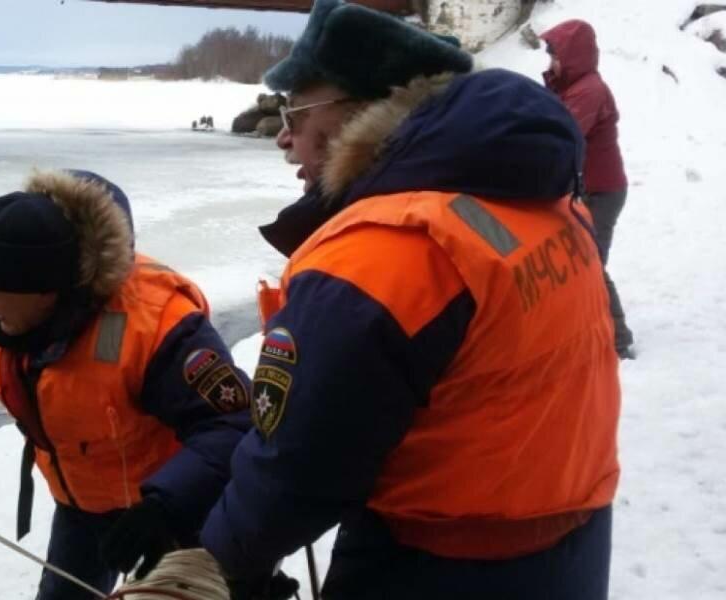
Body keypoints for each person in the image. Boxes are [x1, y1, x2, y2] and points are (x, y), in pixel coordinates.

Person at [194, 2, 621, 599]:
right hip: (569, 540)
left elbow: (298, 465)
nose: (284, 137)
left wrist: (215, 563)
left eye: (296, 111)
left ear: (360, 110)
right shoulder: (541, 199)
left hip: (436, 566)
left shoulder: (384, 251)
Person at [0, 169, 252, 600]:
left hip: (178, 510)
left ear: (44, 290)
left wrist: (165, 507)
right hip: (83, 506)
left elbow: (229, 426)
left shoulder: (158, 327)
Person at [542, 19, 635, 358]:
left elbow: (562, 135)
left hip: (604, 191)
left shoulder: (588, 91)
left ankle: (619, 338)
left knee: (591, 263)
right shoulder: (571, 86)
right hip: (587, 189)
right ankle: (580, 324)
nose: (550, 62)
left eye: (555, 55)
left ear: (573, 55)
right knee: (577, 260)